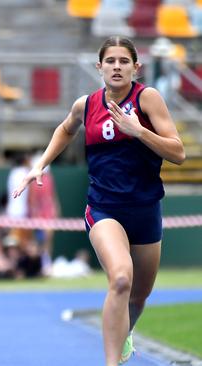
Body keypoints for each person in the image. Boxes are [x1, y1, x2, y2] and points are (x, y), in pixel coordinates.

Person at [13, 36, 185, 366]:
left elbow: (178, 152)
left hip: (146, 209)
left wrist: (140, 132)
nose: (117, 67)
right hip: (105, 209)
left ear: (136, 67)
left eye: (124, 61)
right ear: (99, 66)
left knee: (138, 295)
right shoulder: (87, 105)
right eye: (111, 61)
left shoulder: (148, 99)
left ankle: (124, 336)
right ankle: (111, 363)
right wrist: (40, 165)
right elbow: (65, 129)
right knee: (121, 277)